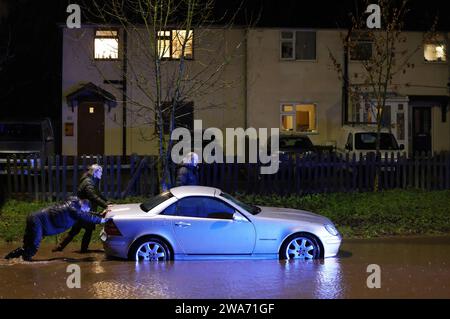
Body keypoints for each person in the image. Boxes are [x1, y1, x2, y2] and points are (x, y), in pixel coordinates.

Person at [4, 197, 110, 261]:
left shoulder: (74, 204)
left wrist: (99, 214)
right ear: (83, 206)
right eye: (86, 210)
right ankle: (20, 264)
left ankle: (8, 259)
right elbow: (85, 216)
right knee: (32, 249)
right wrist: (103, 220)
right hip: (38, 221)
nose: (85, 212)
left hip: (36, 219)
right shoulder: (73, 209)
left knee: (28, 247)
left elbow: (86, 214)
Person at [53, 164, 109, 253]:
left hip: (82, 210)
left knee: (75, 230)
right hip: (84, 211)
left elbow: (98, 194)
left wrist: (108, 202)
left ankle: (59, 247)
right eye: (100, 172)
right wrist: (106, 205)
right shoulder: (88, 182)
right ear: (95, 172)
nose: (101, 174)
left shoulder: (90, 181)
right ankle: (83, 250)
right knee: (87, 229)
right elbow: (93, 196)